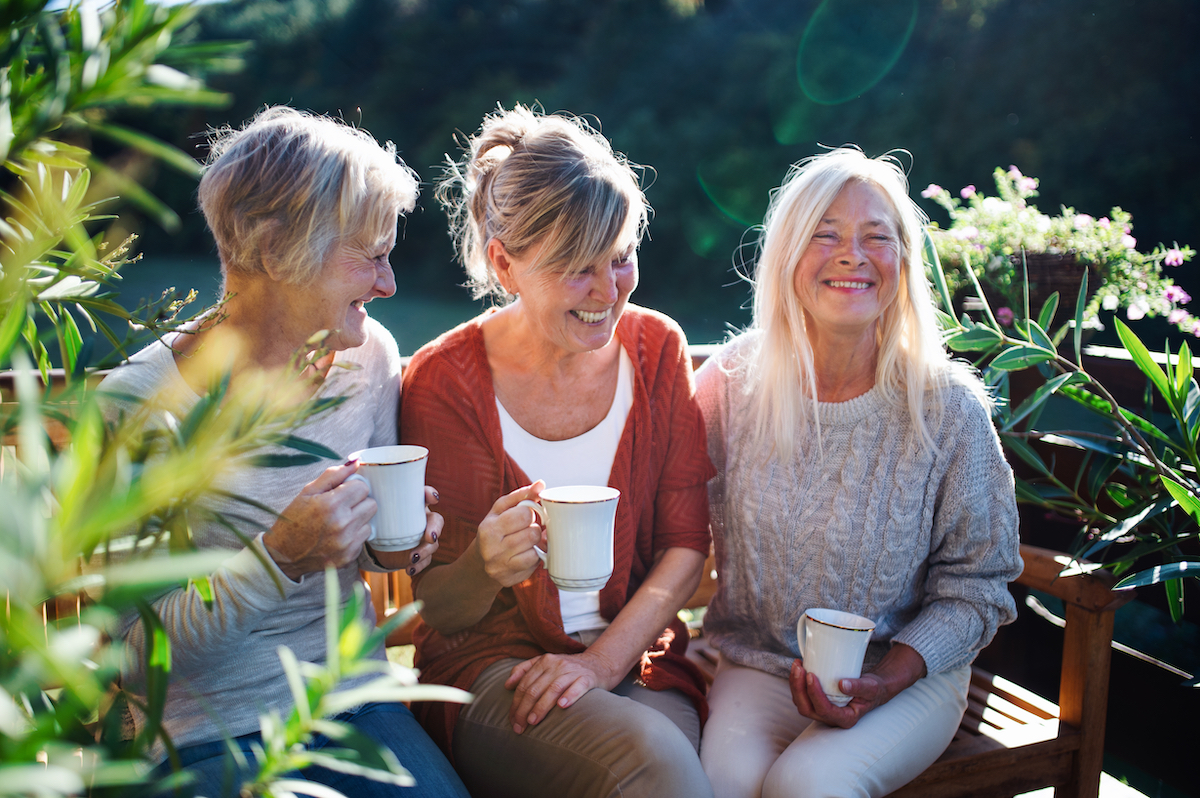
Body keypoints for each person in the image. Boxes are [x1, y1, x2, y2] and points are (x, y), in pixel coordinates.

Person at [100, 107, 468, 797]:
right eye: (370, 256)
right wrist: (278, 560)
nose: (388, 285)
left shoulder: (368, 358)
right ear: (272, 251)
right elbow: (134, 661)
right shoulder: (138, 407)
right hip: (200, 735)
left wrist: (396, 544)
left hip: (348, 700)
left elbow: (372, 559)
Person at [400, 105, 715, 798]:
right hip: (490, 672)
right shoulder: (444, 381)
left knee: (678, 768)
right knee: (656, 767)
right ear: (505, 264)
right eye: (579, 269)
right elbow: (443, 611)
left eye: (622, 257)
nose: (609, 294)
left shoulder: (658, 348)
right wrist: (484, 565)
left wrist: (600, 665)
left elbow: (685, 549)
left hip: (635, 662)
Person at [695, 147, 1023, 798]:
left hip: (909, 676)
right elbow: (663, 518)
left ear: (904, 263)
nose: (853, 254)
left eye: (878, 237)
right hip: (758, 664)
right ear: (787, 254)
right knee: (717, 786)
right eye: (826, 235)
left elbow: (979, 586)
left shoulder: (949, 410)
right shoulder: (731, 383)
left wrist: (889, 679)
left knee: (808, 786)